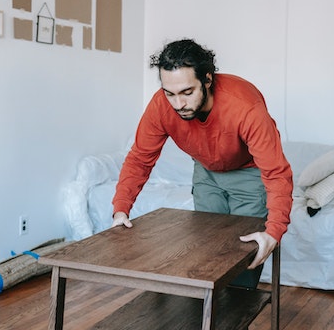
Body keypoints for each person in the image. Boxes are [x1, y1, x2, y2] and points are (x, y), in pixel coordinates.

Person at [111, 38, 293, 293]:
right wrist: (121, 209)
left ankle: (233, 329)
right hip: (206, 172)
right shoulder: (161, 106)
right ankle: (205, 322)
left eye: (187, 93)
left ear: (207, 79)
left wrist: (274, 231)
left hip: (249, 173)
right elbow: (140, 157)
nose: (178, 104)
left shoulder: (245, 106)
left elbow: (276, 172)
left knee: (242, 259)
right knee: (209, 253)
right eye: (170, 93)